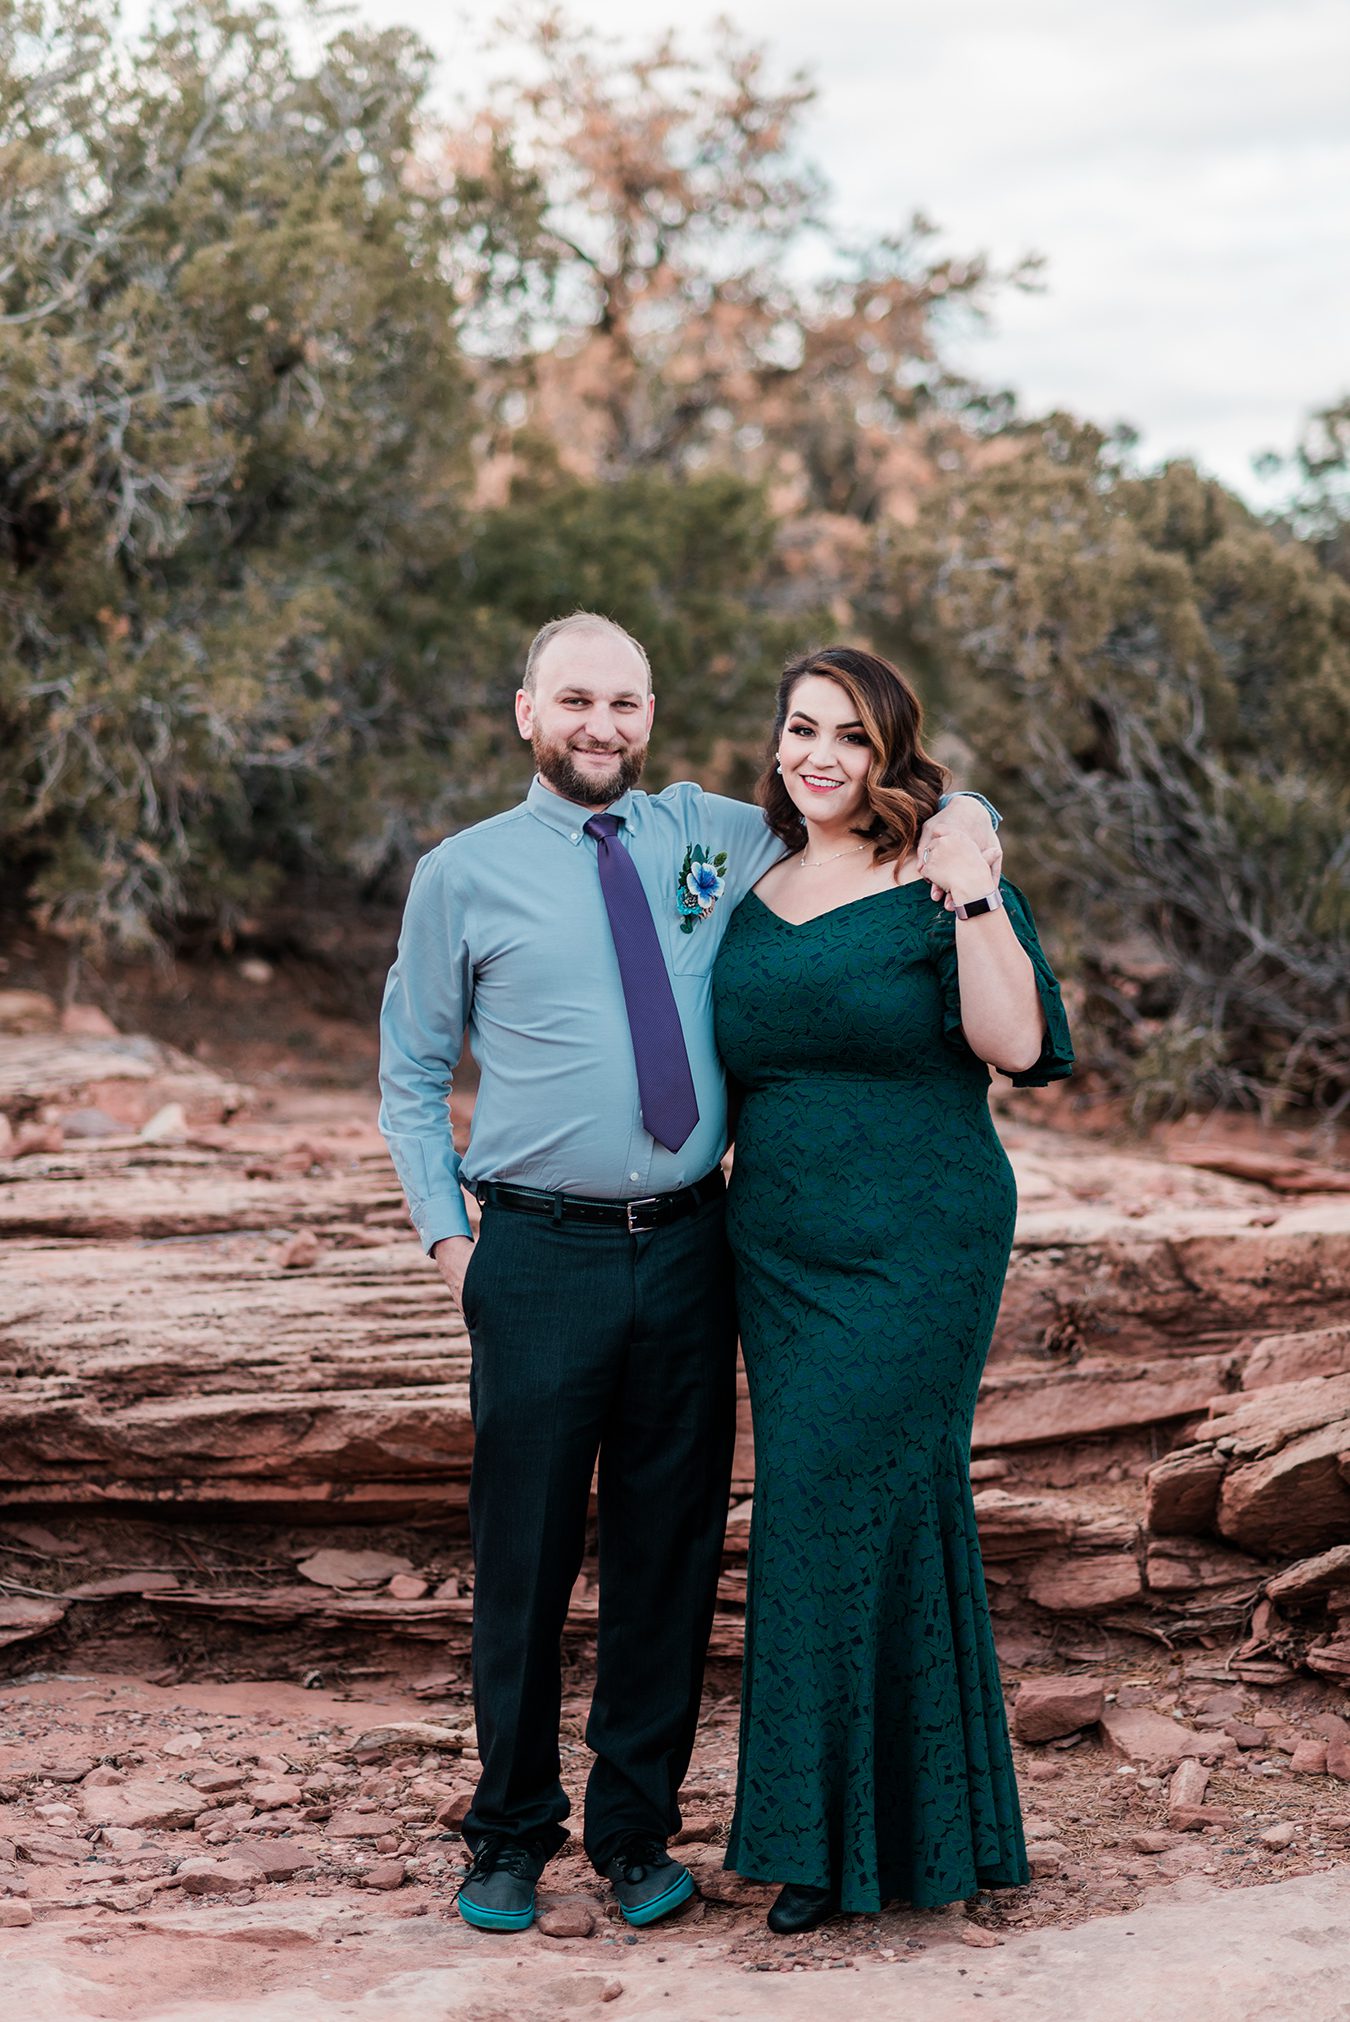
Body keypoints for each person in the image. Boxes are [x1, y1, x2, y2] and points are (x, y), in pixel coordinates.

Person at [377, 612, 1001, 1934]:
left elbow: (871, 795)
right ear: (525, 713)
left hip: (693, 1245)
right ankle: (507, 1834)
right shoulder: (461, 873)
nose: (599, 725)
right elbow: (413, 1070)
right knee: (525, 1556)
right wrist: (450, 1239)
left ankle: (633, 1832)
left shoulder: (715, 836)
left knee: (665, 1555)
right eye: (573, 701)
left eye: (624, 702)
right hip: (533, 1250)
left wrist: (973, 820)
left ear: (649, 716)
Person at [711, 645, 1073, 1934]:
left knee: (825, 1504)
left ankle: (823, 1847)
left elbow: (1016, 1047)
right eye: (801, 727)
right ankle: (927, 1830)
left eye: (852, 738)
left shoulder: (943, 874)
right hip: (778, 1252)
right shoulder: (749, 883)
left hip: (920, 1238)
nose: (819, 755)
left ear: (892, 754)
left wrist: (973, 882)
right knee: (886, 1511)